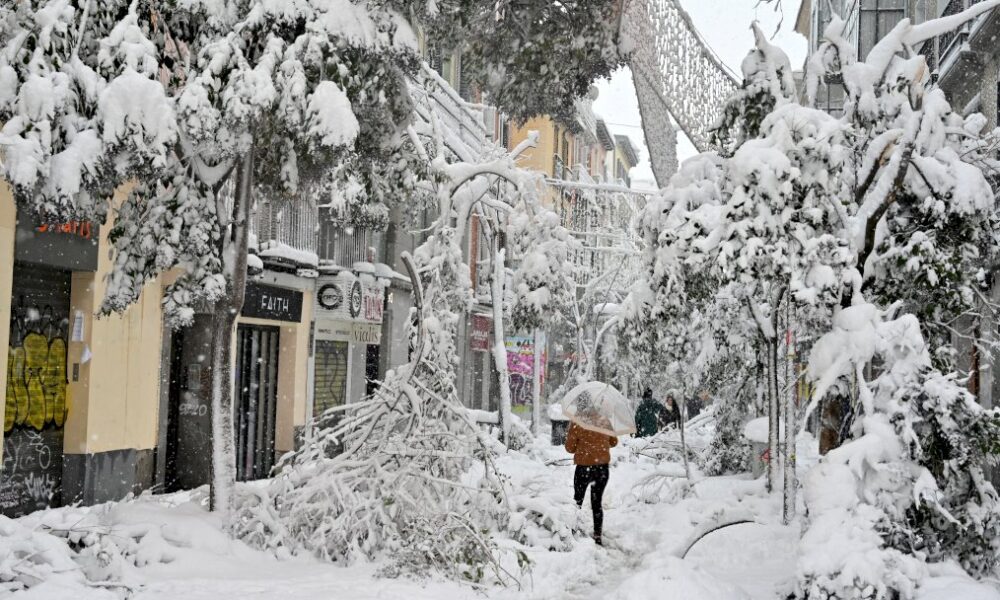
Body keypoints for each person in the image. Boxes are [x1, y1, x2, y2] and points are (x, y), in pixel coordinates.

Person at [565, 407, 618, 546]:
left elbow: (569, 448)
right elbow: (613, 442)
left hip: (583, 468)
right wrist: (599, 444)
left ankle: (572, 532)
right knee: (597, 503)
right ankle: (597, 535)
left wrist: (582, 443)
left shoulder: (578, 422)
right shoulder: (604, 421)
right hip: (601, 468)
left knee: (577, 501)